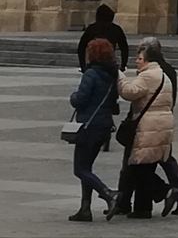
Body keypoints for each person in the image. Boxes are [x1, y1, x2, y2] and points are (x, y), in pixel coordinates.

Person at [113, 40, 176, 219]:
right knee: (145, 167)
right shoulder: (161, 74)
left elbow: (129, 92)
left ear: (148, 60)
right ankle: (143, 208)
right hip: (161, 124)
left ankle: (167, 191)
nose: (136, 61)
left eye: (140, 58)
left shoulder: (148, 76)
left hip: (149, 126)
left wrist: (119, 76)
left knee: (138, 167)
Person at [67, 37, 120, 222]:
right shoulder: (112, 75)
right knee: (87, 167)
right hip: (103, 126)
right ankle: (85, 208)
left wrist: (73, 96)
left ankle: (108, 194)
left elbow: (80, 99)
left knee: (80, 169)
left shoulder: (91, 74)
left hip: (88, 126)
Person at [140, 39, 178, 216]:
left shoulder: (155, 72)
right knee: (166, 160)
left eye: (141, 51)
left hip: (154, 122)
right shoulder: (168, 69)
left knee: (142, 163)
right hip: (163, 120)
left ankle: (177, 195)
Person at [76, 4, 129, 71]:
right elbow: (124, 48)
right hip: (110, 62)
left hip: (94, 63)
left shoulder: (92, 28)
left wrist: (83, 66)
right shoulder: (116, 29)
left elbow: (81, 47)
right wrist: (123, 65)